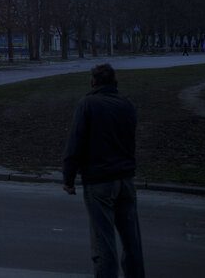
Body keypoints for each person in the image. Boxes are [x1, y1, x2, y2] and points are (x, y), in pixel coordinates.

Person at [62, 63, 145, 278]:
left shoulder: (87, 104)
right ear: (114, 82)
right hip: (126, 179)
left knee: (104, 243)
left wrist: (68, 178)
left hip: (99, 181)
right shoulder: (126, 104)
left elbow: (75, 143)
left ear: (93, 81)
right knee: (132, 241)